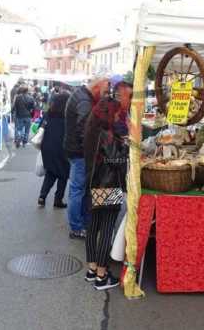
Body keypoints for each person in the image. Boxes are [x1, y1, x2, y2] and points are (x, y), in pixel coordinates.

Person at [83, 96, 129, 290]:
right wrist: (126, 147)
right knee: (107, 229)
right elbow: (115, 161)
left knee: (93, 227)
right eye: (117, 112)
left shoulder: (93, 128)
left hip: (94, 183)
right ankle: (102, 275)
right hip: (108, 185)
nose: (119, 115)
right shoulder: (107, 134)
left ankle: (92, 269)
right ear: (110, 114)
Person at [63, 76, 110, 239]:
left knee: (80, 189)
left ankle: (82, 223)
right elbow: (85, 130)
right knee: (78, 189)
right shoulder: (84, 101)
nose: (105, 95)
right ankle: (76, 227)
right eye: (104, 91)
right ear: (96, 87)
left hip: (75, 150)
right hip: (80, 153)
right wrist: (93, 153)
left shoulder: (82, 95)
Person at [37, 91, 71, 208]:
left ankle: (42, 196)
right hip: (62, 147)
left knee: (51, 172)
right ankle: (58, 199)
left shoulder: (48, 113)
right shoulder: (68, 116)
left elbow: (40, 127)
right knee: (63, 174)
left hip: (47, 146)